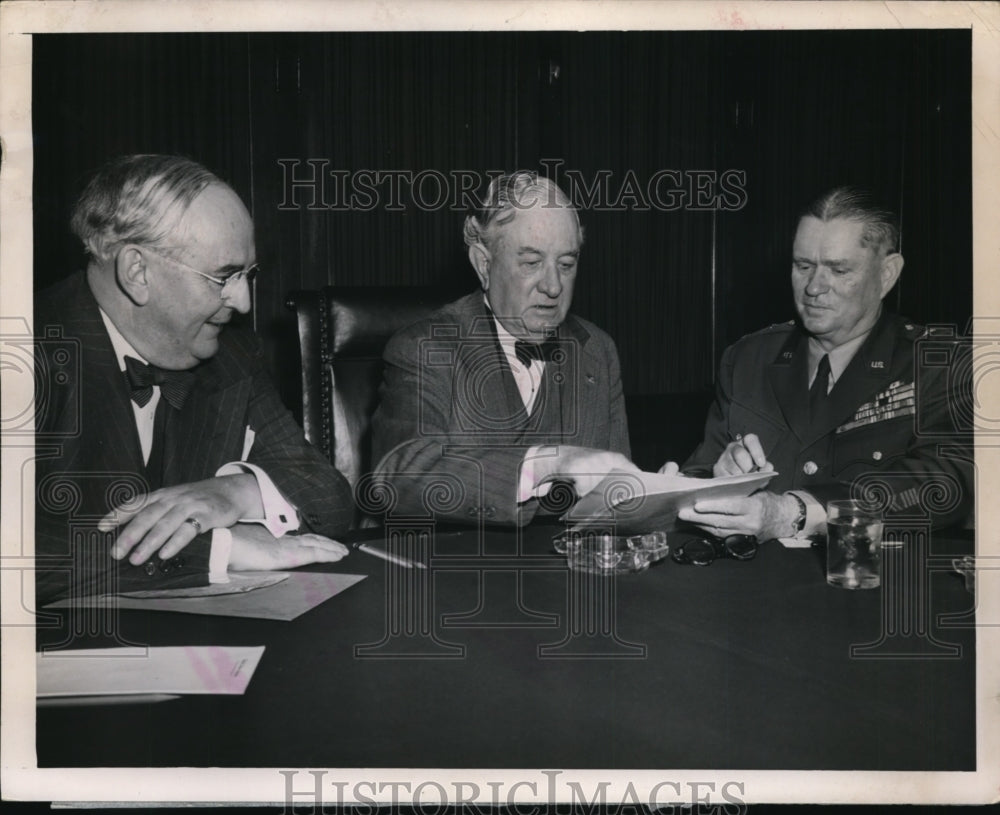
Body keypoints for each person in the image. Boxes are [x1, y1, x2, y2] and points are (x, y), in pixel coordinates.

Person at [34, 154, 354, 603]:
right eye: (224, 276)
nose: (243, 302)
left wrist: (235, 493)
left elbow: (331, 497)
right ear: (137, 272)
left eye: (248, 275)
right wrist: (218, 550)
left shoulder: (232, 354)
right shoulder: (24, 352)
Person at [666, 186, 972, 540]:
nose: (813, 287)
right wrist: (719, 483)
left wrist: (794, 513)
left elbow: (945, 484)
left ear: (887, 274)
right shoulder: (748, 358)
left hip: (871, 583)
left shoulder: (940, 365)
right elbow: (699, 476)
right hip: (750, 585)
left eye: (839, 270)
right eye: (803, 266)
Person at [371, 171, 636, 524]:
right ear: (484, 264)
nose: (554, 286)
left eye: (567, 264)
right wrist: (546, 463)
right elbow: (398, 477)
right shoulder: (425, 346)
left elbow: (614, 506)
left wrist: (655, 497)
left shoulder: (597, 350)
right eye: (531, 263)